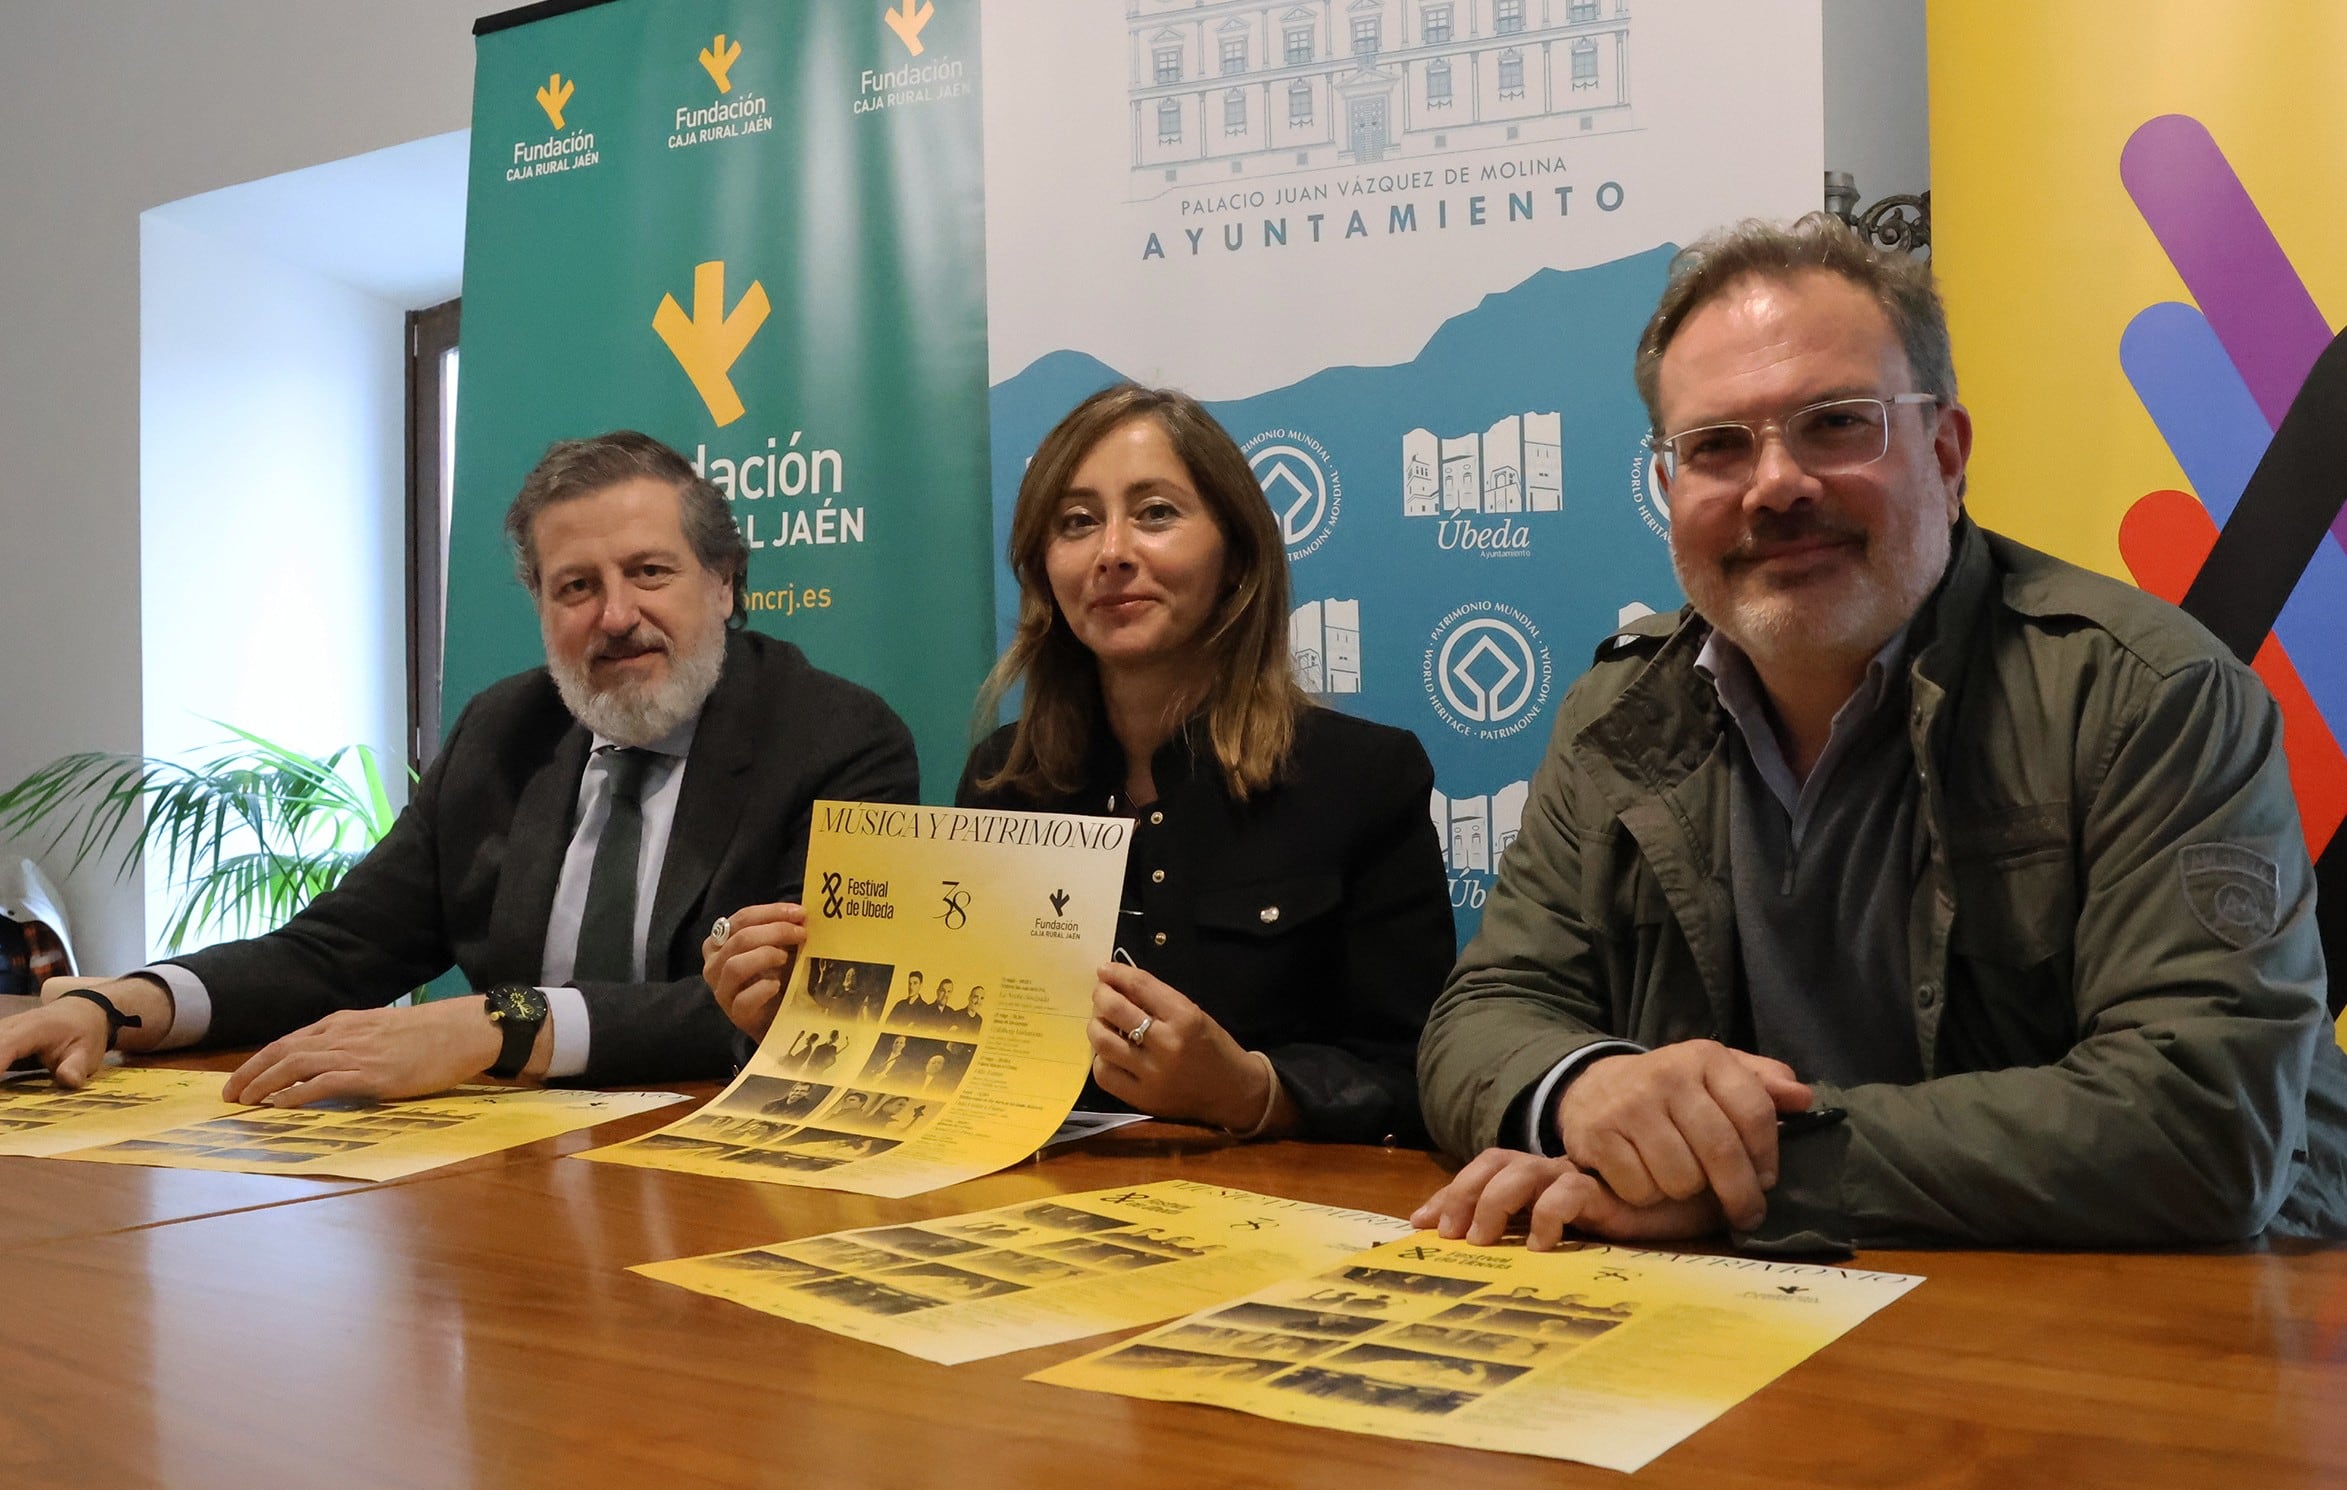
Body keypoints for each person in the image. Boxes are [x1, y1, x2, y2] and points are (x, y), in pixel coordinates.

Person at [1412, 214, 2347, 1251]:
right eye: (1716, 446)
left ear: (1945, 452)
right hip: (1771, 1317)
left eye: (1836, 422)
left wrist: (1743, 1176)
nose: (1775, 484)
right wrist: (1585, 1088)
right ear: (1670, 489)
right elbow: (1486, 1009)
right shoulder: (1618, 713)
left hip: (2144, 1327)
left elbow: (2203, 1124)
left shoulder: (2149, 696)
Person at [0, 431, 917, 1102]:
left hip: (725, 1164)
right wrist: (121, 1005)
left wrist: (500, 1023)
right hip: (504, 1176)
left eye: (649, 573)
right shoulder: (504, 729)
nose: (614, 616)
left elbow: (801, 1004)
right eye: (576, 587)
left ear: (723, 583)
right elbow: (339, 950)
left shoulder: (837, 739)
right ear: (540, 604)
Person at [710, 384, 1454, 1142]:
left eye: (1156, 513)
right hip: (1027, 1213)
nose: (1113, 553)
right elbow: (949, 1062)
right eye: (1076, 523)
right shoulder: (1004, 781)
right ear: (1042, 571)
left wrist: (1253, 1091)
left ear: (1236, 555)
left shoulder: (1363, 778)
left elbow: (1421, 1076)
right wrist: (794, 1021)